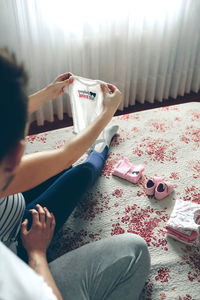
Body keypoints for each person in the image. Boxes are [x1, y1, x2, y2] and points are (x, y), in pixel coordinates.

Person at [0, 48, 150, 300]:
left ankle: (96, 145)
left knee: (64, 168)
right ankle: (100, 145)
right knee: (76, 174)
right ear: (16, 155)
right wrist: (36, 251)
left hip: (9, 205)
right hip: (22, 239)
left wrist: (47, 94)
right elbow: (66, 154)